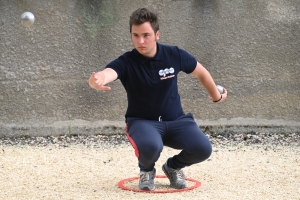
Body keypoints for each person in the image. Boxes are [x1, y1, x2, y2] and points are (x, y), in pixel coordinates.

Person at [88, 8, 227, 190]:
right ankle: (146, 170)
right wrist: (96, 80)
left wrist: (217, 96)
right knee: (151, 146)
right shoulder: (127, 61)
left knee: (203, 148)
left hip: (176, 121)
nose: (141, 41)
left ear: (157, 34)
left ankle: (172, 167)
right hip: (143, 123)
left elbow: (201, 72)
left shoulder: (174, 55)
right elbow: (108, 73)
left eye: (146, 35)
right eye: (135, 35)